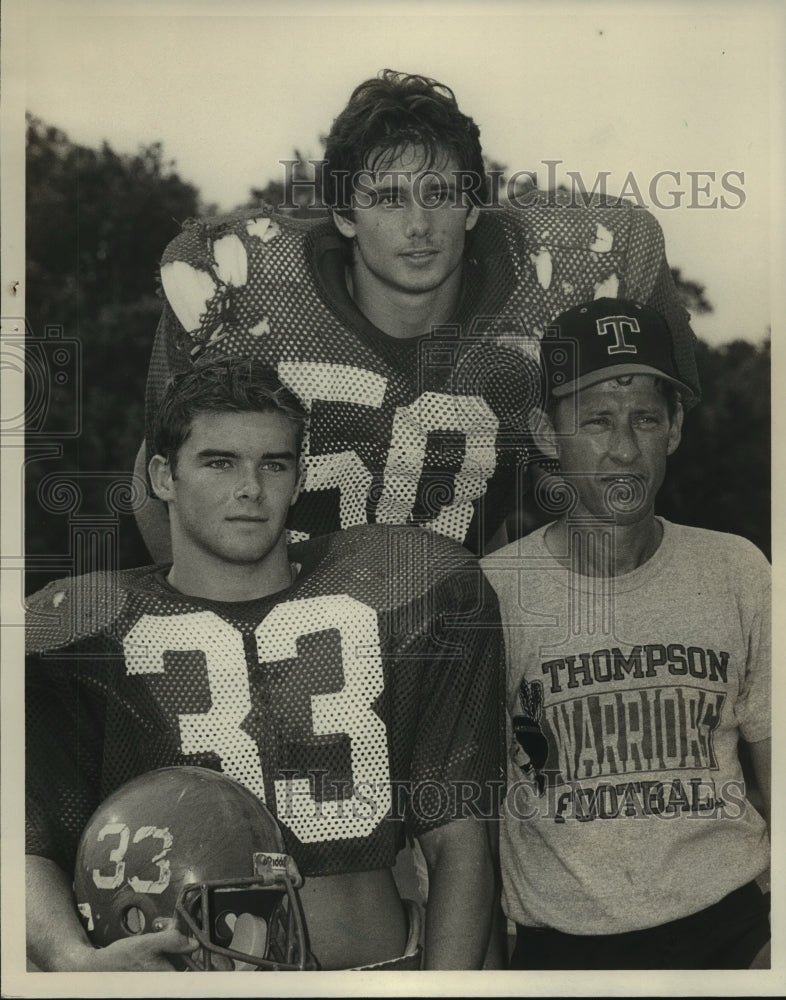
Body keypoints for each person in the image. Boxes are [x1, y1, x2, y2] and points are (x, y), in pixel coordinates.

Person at [26, 357, 503, 972]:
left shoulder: (405, 589)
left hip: (379, 971)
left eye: (273, 464)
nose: (251, 488)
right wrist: (71, 960)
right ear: (163, 476)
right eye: (219, 461)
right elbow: (26, 841)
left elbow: (460, 845)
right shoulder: (82, 632)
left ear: (299, 478)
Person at [135, 69, 700, 562]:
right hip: (284, 617)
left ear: (474, 205)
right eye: (386, 198)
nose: (418, 225)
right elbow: (159, 474)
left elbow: (635, 445)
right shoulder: (245, 287)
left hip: (455, 625)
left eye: (439, 193)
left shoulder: (561, 280)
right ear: (345, 215)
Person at [481, 297, 771, 970]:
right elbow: (467, 818)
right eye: (596, 421)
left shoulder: (736, 569)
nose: (623, 448)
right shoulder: (491, 592)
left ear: (673, 429)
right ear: (547, 434)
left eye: (645, 418)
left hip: (733, 927)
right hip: (567, 946)